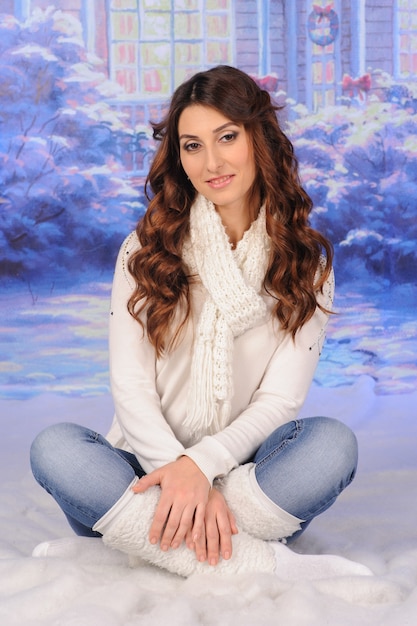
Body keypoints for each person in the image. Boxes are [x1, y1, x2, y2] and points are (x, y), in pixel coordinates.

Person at [30, 65, 371, 579]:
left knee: (332, 446)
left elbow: (279, 402)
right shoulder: (146, 250)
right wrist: (177, 474)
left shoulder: (305, 262)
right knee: (55, 448)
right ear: (178, 157)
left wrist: (203, 468)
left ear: (259, 138)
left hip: (250, 476)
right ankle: (259, 560)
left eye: (227, 137)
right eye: (192, 145)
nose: (212, 162)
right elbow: (131, 385)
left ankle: (135, 546)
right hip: (144, 473)